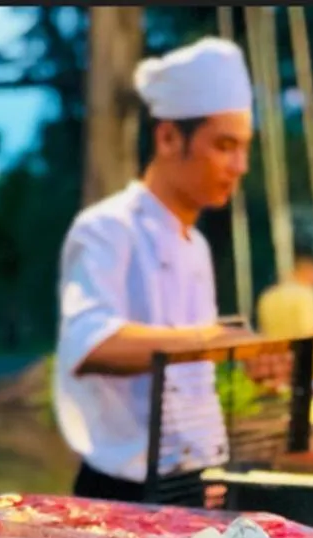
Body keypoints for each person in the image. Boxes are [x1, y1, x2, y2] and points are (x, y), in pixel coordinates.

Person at [54, 37, 279, 504]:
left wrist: (247, 358)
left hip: (194, 485)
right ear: (169, 138)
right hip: (122, 494)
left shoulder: (195, 245)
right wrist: (211, 342)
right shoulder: (105, 229)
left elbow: (189, 382)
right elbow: (91, 343)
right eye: (224, 145)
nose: (240, 166)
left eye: (244, 148)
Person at [255, 252, 313, 384]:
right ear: (309, 272)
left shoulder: (267, 296)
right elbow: (307, 334)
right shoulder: (306, 294)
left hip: (281, 369)